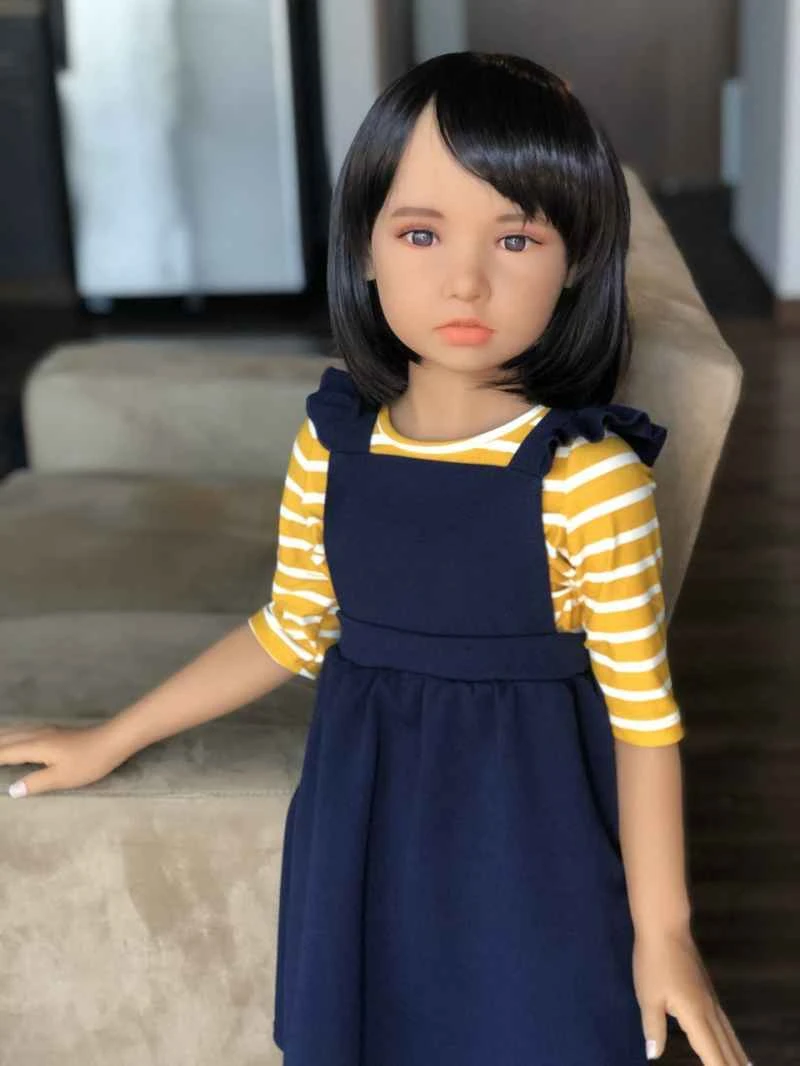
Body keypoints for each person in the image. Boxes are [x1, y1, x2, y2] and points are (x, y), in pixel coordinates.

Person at [0, 51, 752, 1066]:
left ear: (576, 259)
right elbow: (290, 626)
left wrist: (665, 933)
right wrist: (109, 738)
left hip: (529, 843)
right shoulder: (334, 441)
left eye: (516, 237)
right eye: (420, 232)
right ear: (363, 246)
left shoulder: (587, 476)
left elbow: (642, 716)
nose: (465, 280)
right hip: (361, 826)